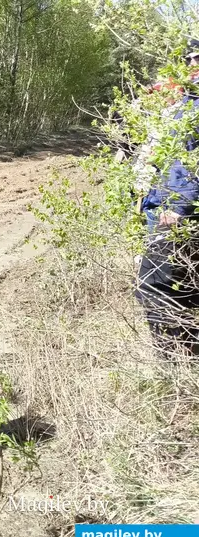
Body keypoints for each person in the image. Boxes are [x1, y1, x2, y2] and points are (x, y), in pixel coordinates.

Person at [135, 63, 199, 359]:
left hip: (175, 213)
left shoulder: (193, 109)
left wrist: (178, 207)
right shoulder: (186, 106)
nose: (190, 66)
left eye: (195, 59)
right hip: (165, 206)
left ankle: (172, 365)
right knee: (180, 284)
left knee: (155, 287)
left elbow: (190, 164)